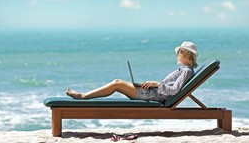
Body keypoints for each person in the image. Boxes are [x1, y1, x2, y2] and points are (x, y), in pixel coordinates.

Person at [66, 41, 198, 102]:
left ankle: (83, 96)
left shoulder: (186, 71)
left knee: (117, 83)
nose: (177, 54)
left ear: (185, 54)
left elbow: (175, 90)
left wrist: (156, 84)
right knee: (117, 83)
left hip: (154, 96)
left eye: (179, 52)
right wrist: (152, 84)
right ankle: (84, 96)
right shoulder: (184, 70)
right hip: (152, 92)